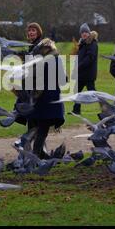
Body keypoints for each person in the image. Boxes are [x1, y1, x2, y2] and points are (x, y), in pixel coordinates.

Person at [14, 22, 66, 159]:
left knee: (39, 125)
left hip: (42, 95)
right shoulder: (41, 53)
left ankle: (34, 153)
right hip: (40, 95)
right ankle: (35, 153)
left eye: (33, 30)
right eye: (29, 30)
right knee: (39, 125)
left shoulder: (41, 54)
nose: (30, 33)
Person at [72, 23, 99, 114]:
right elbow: (79, 57)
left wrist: (79, 66)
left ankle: (106, 109)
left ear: (89, 33)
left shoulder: (92, 43)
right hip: (81, 73)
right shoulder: (82, 44)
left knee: (93, 94)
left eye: (86, 32)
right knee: (77, 92)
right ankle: (76, 110)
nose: (84, 34)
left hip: (88, 74)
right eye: (82, 32)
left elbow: (89, 58)